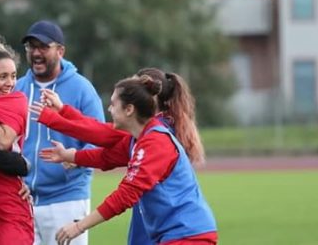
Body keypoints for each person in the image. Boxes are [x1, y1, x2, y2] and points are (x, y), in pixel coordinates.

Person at [32, 75, 218, 244]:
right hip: (175, 235)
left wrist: (79, 226)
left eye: (113, 104)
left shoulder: (156, 142)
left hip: (188, 235)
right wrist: (69, 156)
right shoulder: (137, 139)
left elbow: (126, 194)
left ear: (129, 109)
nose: (109, 109)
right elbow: (105, 157)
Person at [15, 20, 105, 245]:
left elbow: (101, 139)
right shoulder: (17, 88)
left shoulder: (82, 89)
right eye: (31, 47)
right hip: (22, 199)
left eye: (43, 47)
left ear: (60, 50)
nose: (36, 53)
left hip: (67, 199)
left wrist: (76, 158)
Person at [0, 38, 34, 244]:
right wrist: (24, 166)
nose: (10, 83)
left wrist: (24, 167)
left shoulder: (15, 101)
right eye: (2, 77)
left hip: (6, 198)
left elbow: (2, 146)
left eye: (13, 76)